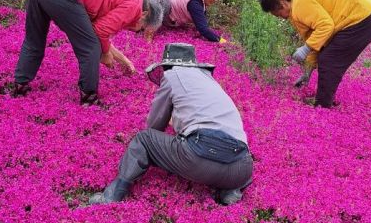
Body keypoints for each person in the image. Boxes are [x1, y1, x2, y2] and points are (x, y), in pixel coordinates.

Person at [88, 43, 253, 206]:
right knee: (225, 159)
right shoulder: (209, 82)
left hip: (199, 160)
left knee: (144, 139)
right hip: (242, 168)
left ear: (168, 66)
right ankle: (230, 190)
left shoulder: (172, 75)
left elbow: (154, 125)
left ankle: (112, 196)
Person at [4, 0, 164, 104]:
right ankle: (89, 97)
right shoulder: (134, 6)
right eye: (142, 28)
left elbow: (96, 30)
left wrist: (122, 59)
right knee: (90, 48)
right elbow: (98, 33)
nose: (136, 31)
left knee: (34, 39)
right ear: (144, 14)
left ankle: (20, 85)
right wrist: (105, 53)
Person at [259, 0, 371, 108]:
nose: (279, 17)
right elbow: (317, 39)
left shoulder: (301, 4)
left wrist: (305, 48)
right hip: (367, 16)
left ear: (283, 3)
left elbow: (325, 26)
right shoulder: (297, 7)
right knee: (327, 56)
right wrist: (308, 71)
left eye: (277, 13)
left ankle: (322, 106)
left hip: (363, 17)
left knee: (329, 59)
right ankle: (323, 101)